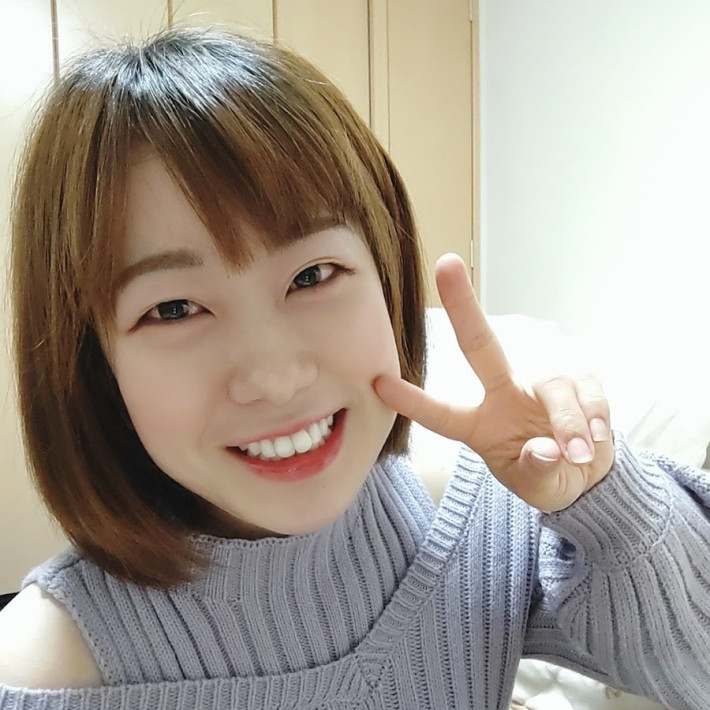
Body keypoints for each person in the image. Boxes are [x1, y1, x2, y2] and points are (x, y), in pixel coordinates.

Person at [0, 27, 708, 710]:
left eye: (312, 275)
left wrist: (606, 502)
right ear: (92, 364)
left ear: (387, 276)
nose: (275, 377)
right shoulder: (43, 668)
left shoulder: (475, 522)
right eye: (175, 309)